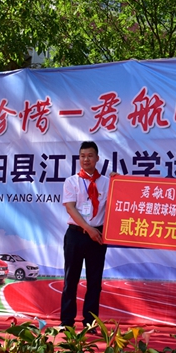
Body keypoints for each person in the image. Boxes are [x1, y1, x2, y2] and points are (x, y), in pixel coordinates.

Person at [60, 141, 109, 328]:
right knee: (70, 279)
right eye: (82, 156)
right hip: (76, 235)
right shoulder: (71, 181)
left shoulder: (107, 182)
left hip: (98, 236)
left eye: (90, 156)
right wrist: (88, 229)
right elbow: (70, 208)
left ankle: (90, 322)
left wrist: (120, 182)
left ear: (97, 158)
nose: (86, 159)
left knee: (94, 282)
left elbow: (119, 203)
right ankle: (67, 321)